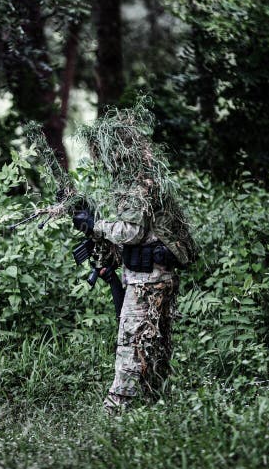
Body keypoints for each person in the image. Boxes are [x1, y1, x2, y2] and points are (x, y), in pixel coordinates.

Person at [73, 106, 195, 413]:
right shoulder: (142, 175)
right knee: (154, 344)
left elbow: (131, 232)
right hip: (151, 275)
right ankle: (158, 402)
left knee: (132, 343)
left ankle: (115, 409)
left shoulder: (138, 182)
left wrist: (96, 225)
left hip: (149, 278)